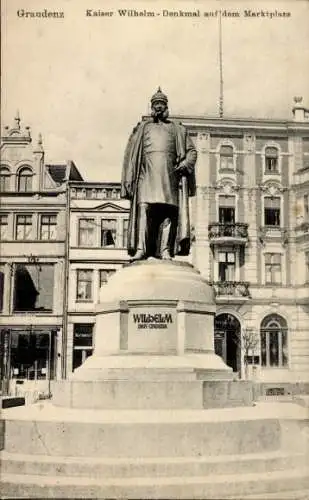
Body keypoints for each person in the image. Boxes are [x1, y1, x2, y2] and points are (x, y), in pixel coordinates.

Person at [121, 88, 197, 261]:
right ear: (151, 107)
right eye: (156, 104)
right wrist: (128, 179)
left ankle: (165, 250)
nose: (159, 108)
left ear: (166, 107)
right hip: (145, 177)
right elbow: (131, 156)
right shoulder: (142, 128)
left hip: (170, 177)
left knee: (169, 212)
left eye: (162, 104)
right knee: (144, 209)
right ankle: (141, 248)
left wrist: (185, 164)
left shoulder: (177, 129)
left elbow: (192, 151)